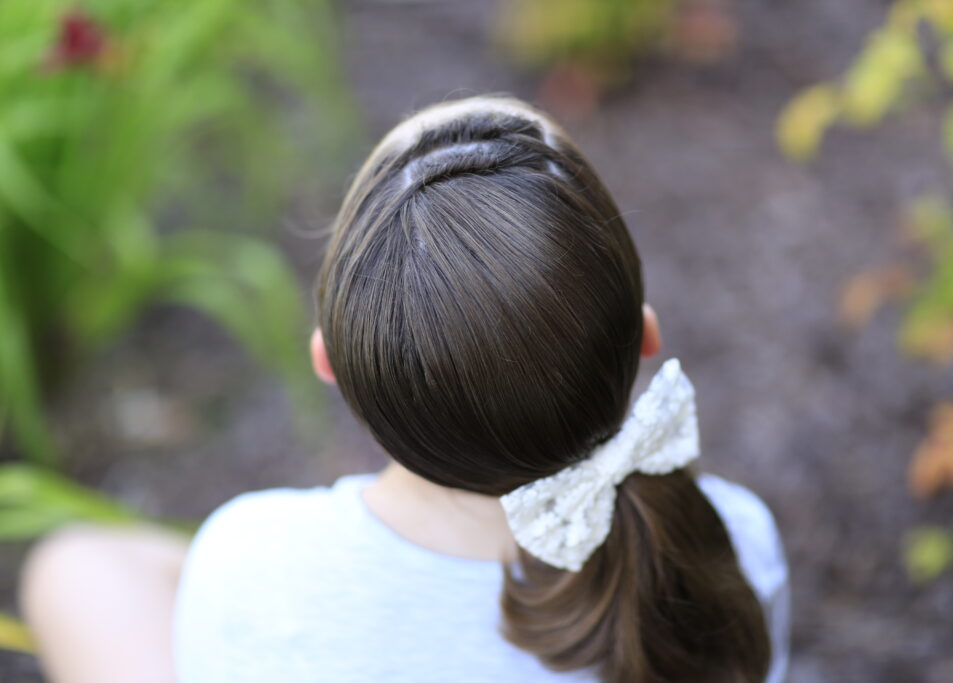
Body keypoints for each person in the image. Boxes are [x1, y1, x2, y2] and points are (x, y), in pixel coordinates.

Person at [18, 95, 789, 683]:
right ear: (646, 337)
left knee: (74, 566)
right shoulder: (732, 547)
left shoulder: (250, 561)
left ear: (333, 369)